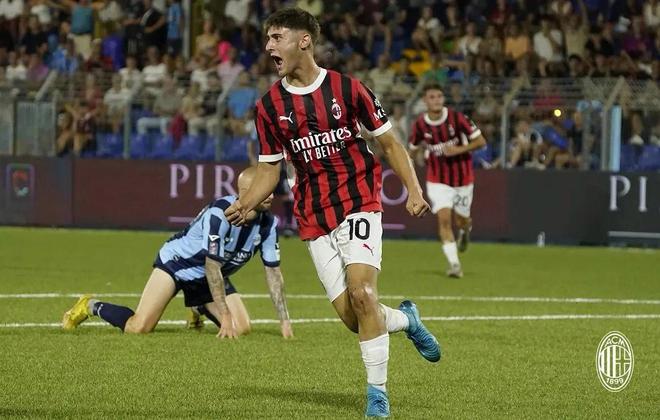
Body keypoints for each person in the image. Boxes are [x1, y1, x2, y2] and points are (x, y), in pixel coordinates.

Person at [224, 8, 439, 418]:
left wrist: (414, 189)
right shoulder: (269, 106)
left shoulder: (348, 89)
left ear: (304, 40)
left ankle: (377, 397)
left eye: (277, 37)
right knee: (355, 318)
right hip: (313, 215)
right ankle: (408, 321)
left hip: (359, 201)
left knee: (363, 295)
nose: (268, 46)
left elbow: (390, 144)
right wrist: (246, 203)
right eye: (267, 39)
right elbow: (269, 168)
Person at [62, 167, 294, 339]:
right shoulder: (220, 214)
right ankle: (90, 305)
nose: (271, 195)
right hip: (177, 265)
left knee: (241, 328)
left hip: (209, 276)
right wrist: (224, 314)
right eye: (264, 191)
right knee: (138, 328)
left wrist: (284, 320)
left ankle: (198, 306)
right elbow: (212, 265)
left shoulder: (268, 224)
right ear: (246, 193)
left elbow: (273, 272)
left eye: (270, 190)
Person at [408, 83, 486, 278]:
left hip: (463, 179)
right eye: (432, 97)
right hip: (437, 180)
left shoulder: (458, 118)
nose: (436, 100)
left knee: (462, 220)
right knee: (444, 220)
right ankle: (454, 265)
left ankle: (465, 231)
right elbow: (412, 149)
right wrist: (410, 168)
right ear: (425, 101)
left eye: (439, 96)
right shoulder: (420, 125)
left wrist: (459, 149)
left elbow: (481, 141)